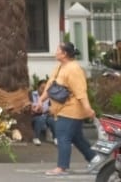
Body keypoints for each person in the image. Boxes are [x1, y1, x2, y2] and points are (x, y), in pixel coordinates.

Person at [35, 42, 100, 176]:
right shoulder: (59, 67)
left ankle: (62, 167)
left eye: (58, 49)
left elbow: (80, 91)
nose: (56, 51)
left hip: (71, 109)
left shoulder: (74, 69)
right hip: (61, 109)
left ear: (64, 54)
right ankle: (94, 158)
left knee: (63, 136)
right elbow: (51, 86)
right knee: (77, 137)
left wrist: (88, 108)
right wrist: (41, 100)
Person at [30, 79, 55, 146]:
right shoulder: (31, 94)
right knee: (40, 119)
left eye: (45, 88)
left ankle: (56, 138)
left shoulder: (48, 96)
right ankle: (36, 138)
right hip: (35, 115)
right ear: (37, 87)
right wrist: (34, 108)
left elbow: (51, 107)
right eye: (42, 88)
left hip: (46, 115)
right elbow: (30, 106)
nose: (44, 90)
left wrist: (50, 110)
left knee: (52, 120)